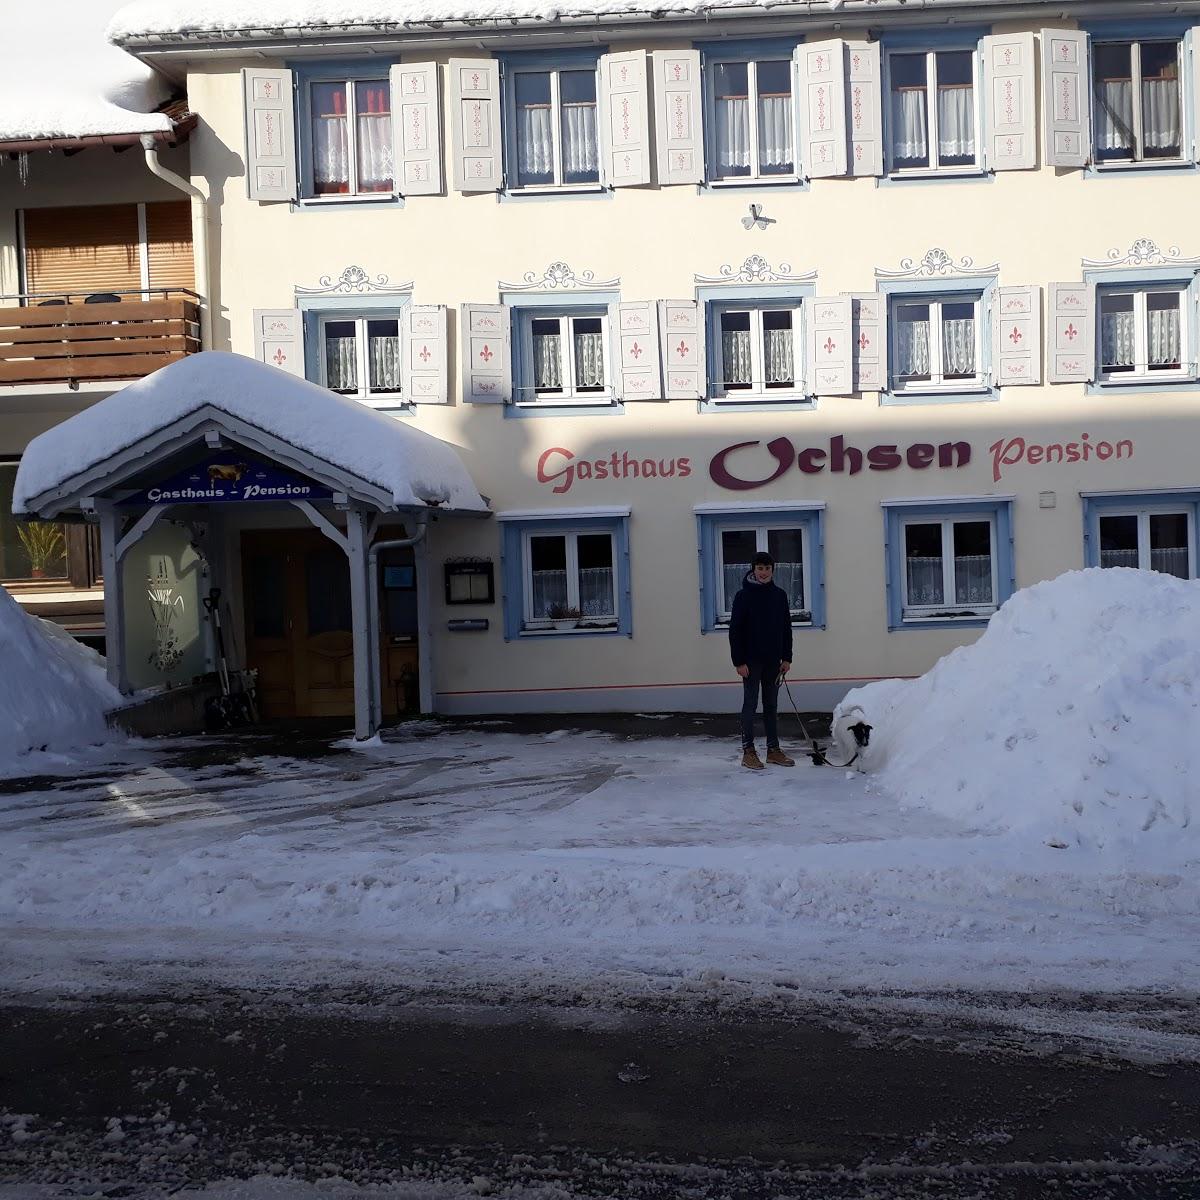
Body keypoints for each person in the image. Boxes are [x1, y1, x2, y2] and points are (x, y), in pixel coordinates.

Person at [728, 551, 795, 770]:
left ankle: (773, 750)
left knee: (771, 705)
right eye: (760, 568)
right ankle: (748, 751)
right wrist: (738, 661)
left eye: (767, 568)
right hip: (750, 661)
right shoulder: (743, 596)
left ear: (772, 571)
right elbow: (735, 631)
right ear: (753, 570)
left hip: (773, 661)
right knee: (750, 704)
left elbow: (786, 628)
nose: (763, 573)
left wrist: (787, 657)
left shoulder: (779, 595)